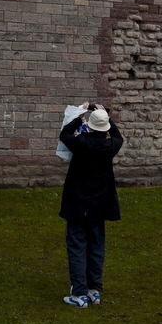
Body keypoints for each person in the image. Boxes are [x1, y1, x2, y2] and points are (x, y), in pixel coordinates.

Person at [58, 102, 123, 308]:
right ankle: (93, 289)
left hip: (78, 202)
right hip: (99, 203)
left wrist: (80, 115)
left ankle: (79, 293)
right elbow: (118, 135)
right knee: (96, 245)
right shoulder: (110, 146)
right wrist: (105, 116)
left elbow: (65, 134)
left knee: (77, 245)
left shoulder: (81, 143)